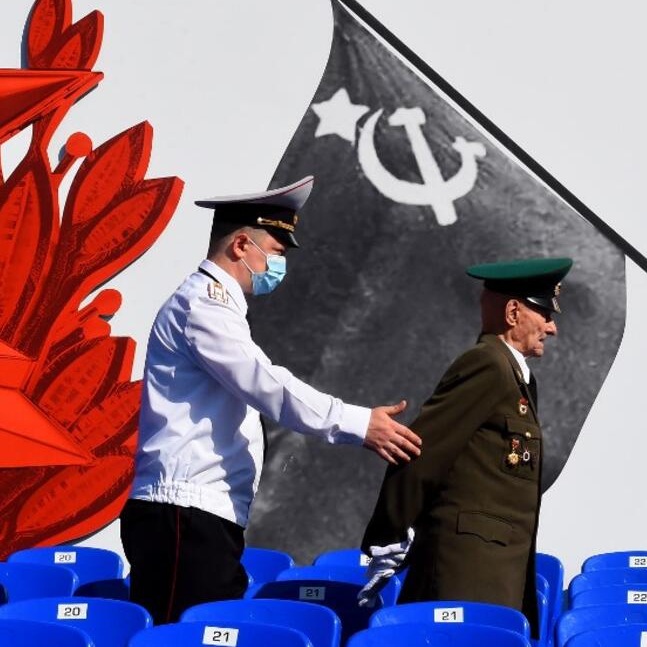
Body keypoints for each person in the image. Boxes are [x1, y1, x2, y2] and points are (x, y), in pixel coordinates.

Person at [121, 176, 422, 624]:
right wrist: (356, 423)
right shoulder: (202, 306)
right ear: (243, 244)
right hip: (183, 514)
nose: (280, 266)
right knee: (184, 633)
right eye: (277, 253)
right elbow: (266, 384)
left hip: (201, 514)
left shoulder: (216, 307)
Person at [356, 257, 572, 641]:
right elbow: (422, 451)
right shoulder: (487, 364)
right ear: (512, 311)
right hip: (466, 574)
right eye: (545, 314)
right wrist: (386, 535)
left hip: (493, 571)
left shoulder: (514, 374)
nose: (552, 328)